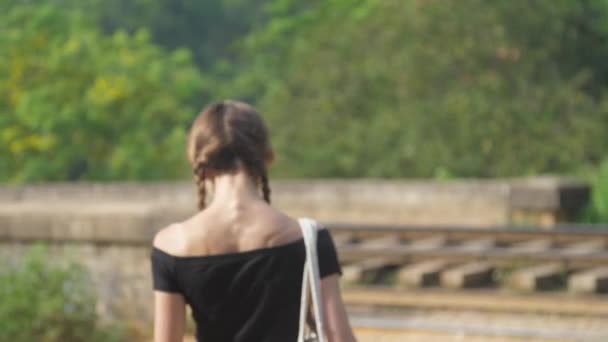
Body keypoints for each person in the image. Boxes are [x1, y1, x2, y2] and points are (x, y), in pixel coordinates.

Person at [151, 100, 356, 342]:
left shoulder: (172, 244)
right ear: (265, 157)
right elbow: (338, 336)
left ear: (200, 162)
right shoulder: (309, 238)